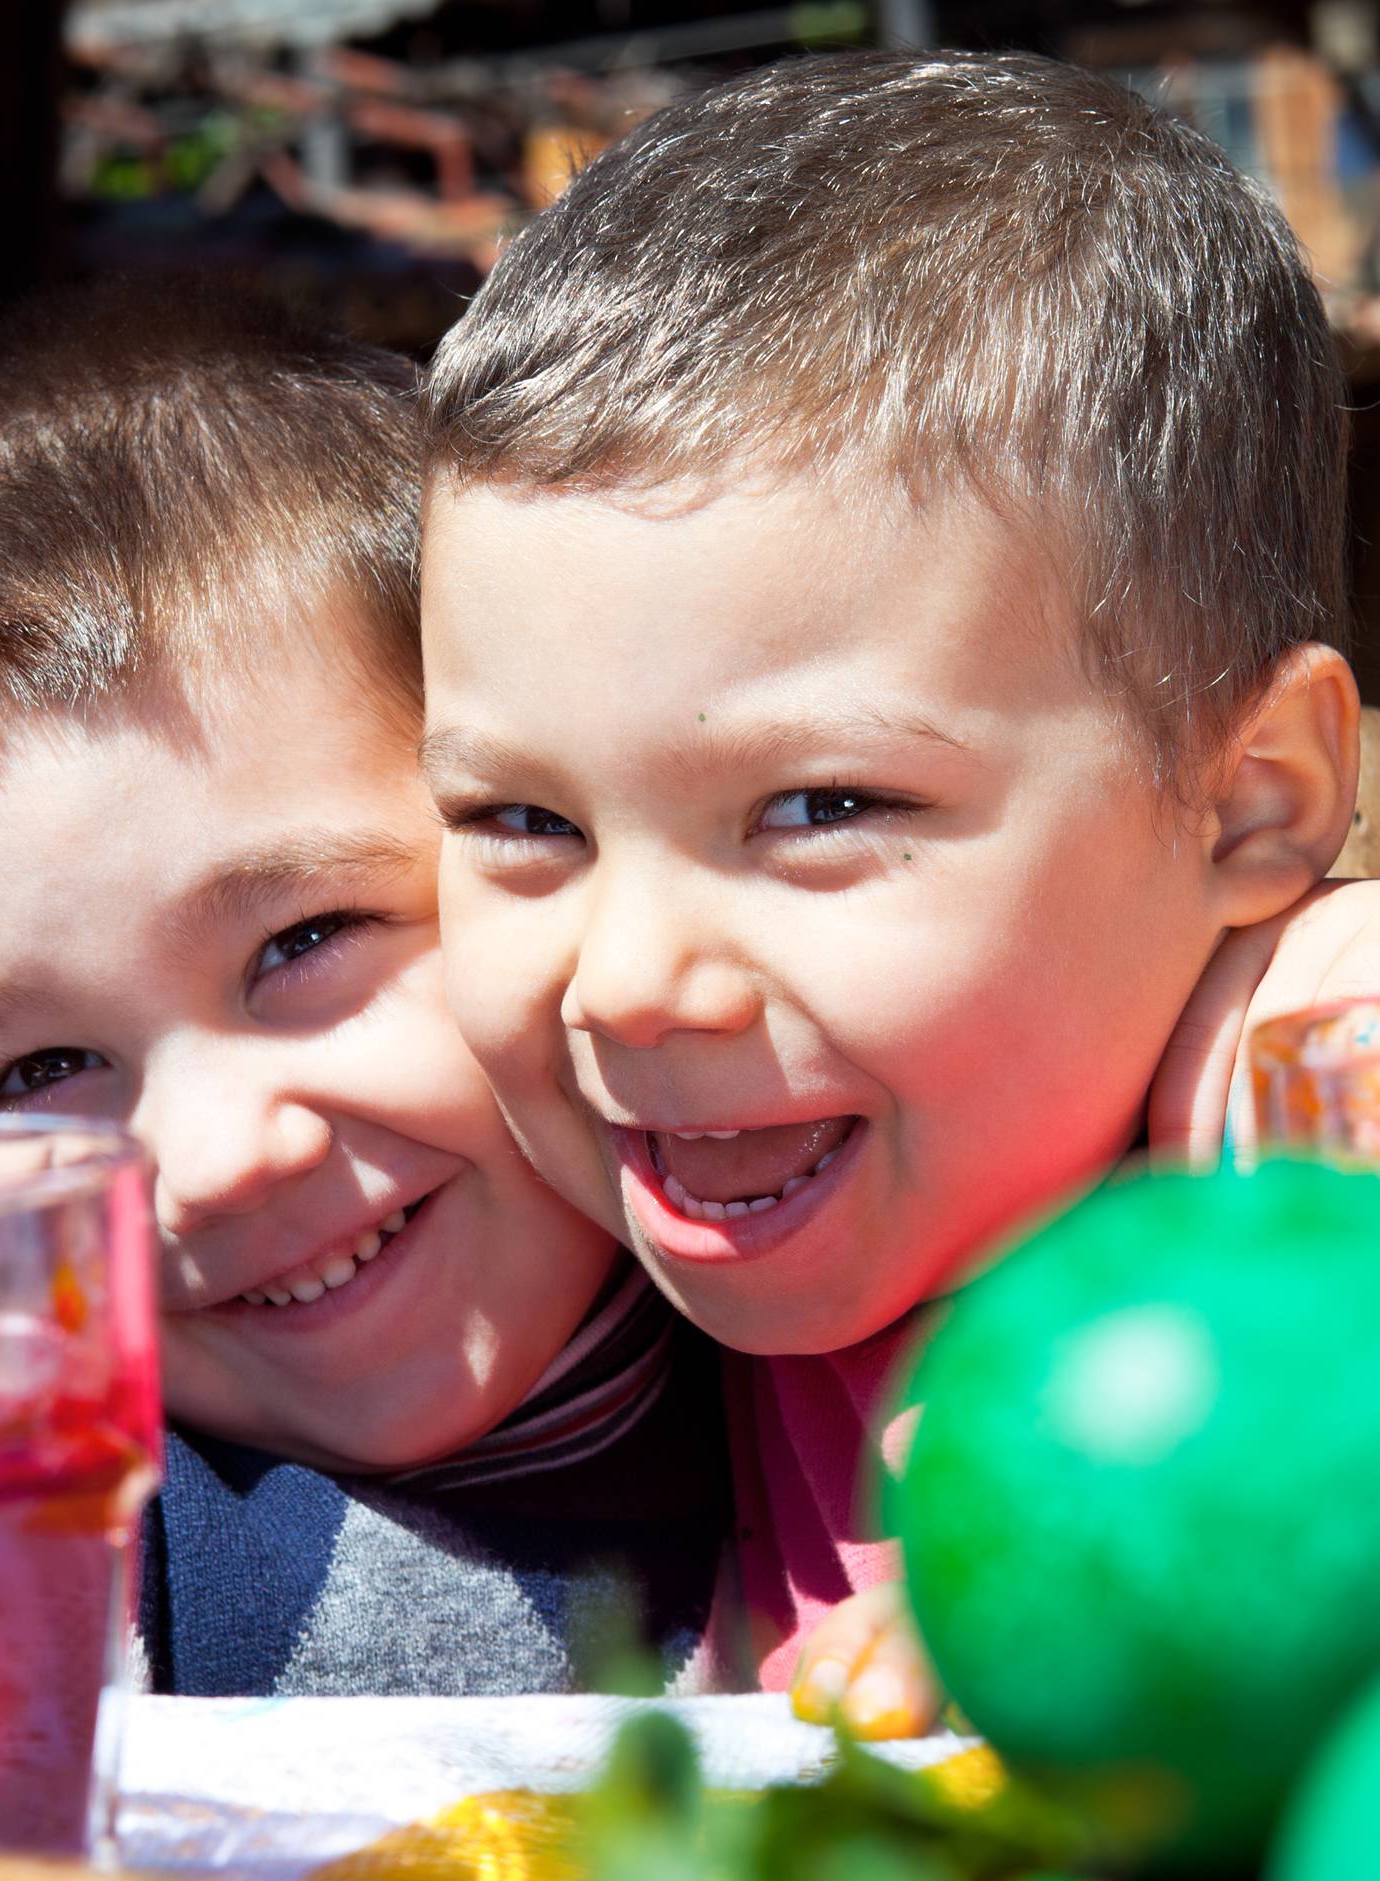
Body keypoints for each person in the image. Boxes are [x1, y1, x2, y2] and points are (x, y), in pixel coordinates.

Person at [415, 50, 1374, 1728]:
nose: (627, 979)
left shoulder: (1281, 1136)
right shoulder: (632, 1212)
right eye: (520, 820)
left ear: (1251, 804)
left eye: (819, 806)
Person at [0, 283, 739, 1696]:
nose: (219, 1161)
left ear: (543, 837)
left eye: (303, 942)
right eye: (42, 1072)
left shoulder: (858, 1288)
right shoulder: (39, 1563)